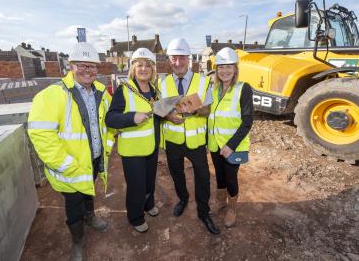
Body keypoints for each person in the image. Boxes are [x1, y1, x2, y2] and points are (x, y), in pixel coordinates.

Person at [27, 42, 114, 261]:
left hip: (93, 158)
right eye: (82, 65)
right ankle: (78, 242)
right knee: (73, 204)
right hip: (69, 165)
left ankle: (91, 216)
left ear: (97, 69)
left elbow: (110, 123)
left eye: (92, 66)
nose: (88, 70)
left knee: (89, 188)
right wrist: (65, 164)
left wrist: (108, 146)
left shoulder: (102, 92)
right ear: (71, 66)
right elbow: (41, 135)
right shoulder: (51, 95)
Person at [160, 37, 220, 234]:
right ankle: (183, 198)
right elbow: (160, 110)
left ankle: (203, 212)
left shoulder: (202, 81)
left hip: (195, 141)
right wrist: (169, 116)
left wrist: (195, 110)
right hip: (173, 141)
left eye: (182, 58)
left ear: (188, 59)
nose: (178, 63)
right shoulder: (162, 83)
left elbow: (208, 109)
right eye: (174, 59)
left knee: (202, 177)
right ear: (170, 60)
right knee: (176, 174)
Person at [105, 48, 160, 233]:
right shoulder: (124, 89)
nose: (144, 69)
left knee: (150, 181)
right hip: (132, 150)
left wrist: (169, 114)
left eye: (147, 65)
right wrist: (131, 117)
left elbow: (155, 115)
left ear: (152, 69)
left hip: (151, 146)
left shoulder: (154, 90)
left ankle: (148, 204)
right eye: (140, 65)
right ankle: (135, 217)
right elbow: (110, 118)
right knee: (136, 185)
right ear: (133, 69)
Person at [207, 47, 253, 228]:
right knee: (219, 176)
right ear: (216, 70)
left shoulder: (243, 89)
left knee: (231, 178)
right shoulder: (213, 88)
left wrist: (231, 145)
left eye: (229, 67)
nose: (225, 71)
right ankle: (220, 202)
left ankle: (232, 208)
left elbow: (247, 121)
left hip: (233, 145)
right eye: (221, 67)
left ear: (235, 69)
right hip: (214, 143)